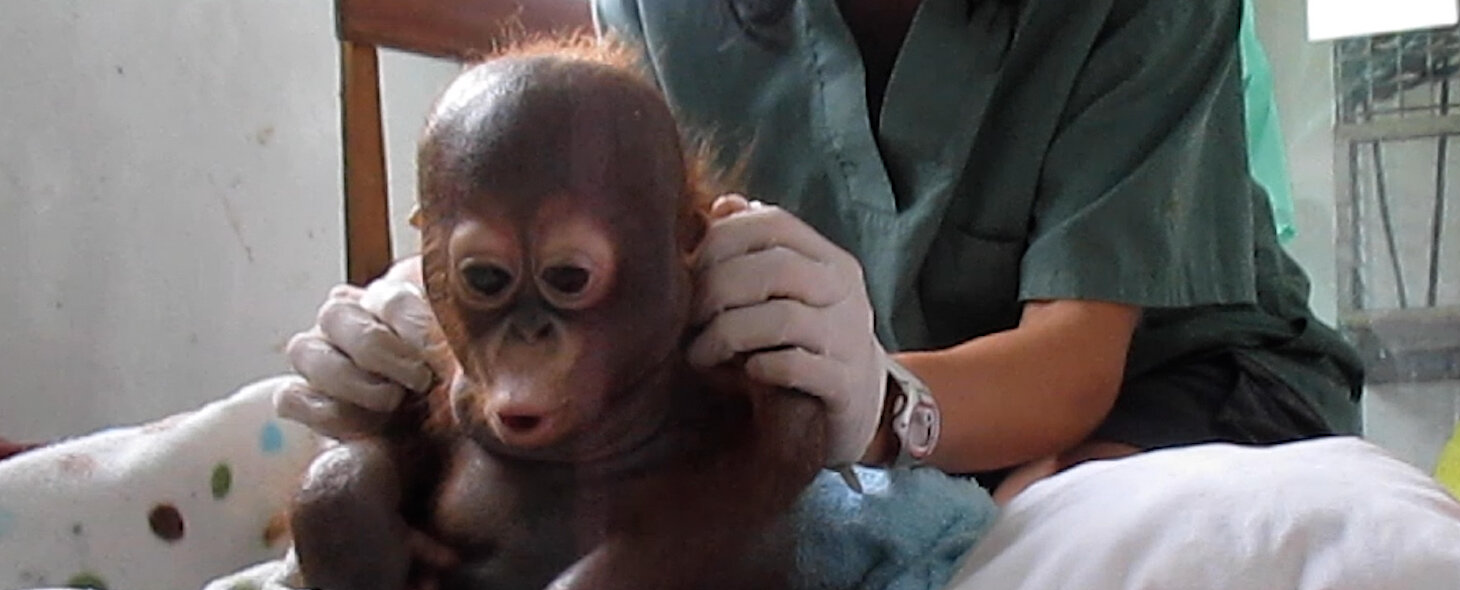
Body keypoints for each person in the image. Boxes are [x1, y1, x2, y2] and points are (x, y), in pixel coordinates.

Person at [275, 0, 1364, 502]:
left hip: (1183, 387)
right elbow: (626, 277)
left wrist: (887, 404)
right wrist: (435, 355)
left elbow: (1078, 365)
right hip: (826, 438)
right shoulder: (666, 14)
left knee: (1067, 536)